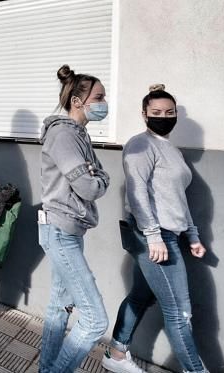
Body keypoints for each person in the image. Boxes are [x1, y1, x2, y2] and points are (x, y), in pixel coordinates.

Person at [101, 85, 207, 373]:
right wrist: (153, 236)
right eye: (157, 112)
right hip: (154, 236)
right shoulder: (140, 145)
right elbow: (136, 194)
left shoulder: (171, 149)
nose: (164, 117)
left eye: (170, 112)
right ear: (144, 114)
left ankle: (116, 353)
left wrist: (192, 235)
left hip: (167, 235)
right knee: (179, 311)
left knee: (141, 295)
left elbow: (178, 198)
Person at [38, 64, 111, 373]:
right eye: (99, 97)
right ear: (77, 101)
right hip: (60, 231)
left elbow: (98, 176)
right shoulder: (63, 136)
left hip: (68, 230)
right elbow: (90, 186)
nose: (104, 103)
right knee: (95, 320)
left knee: (59, 307)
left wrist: (97, 176)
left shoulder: (79, 134)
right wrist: (98, 178)